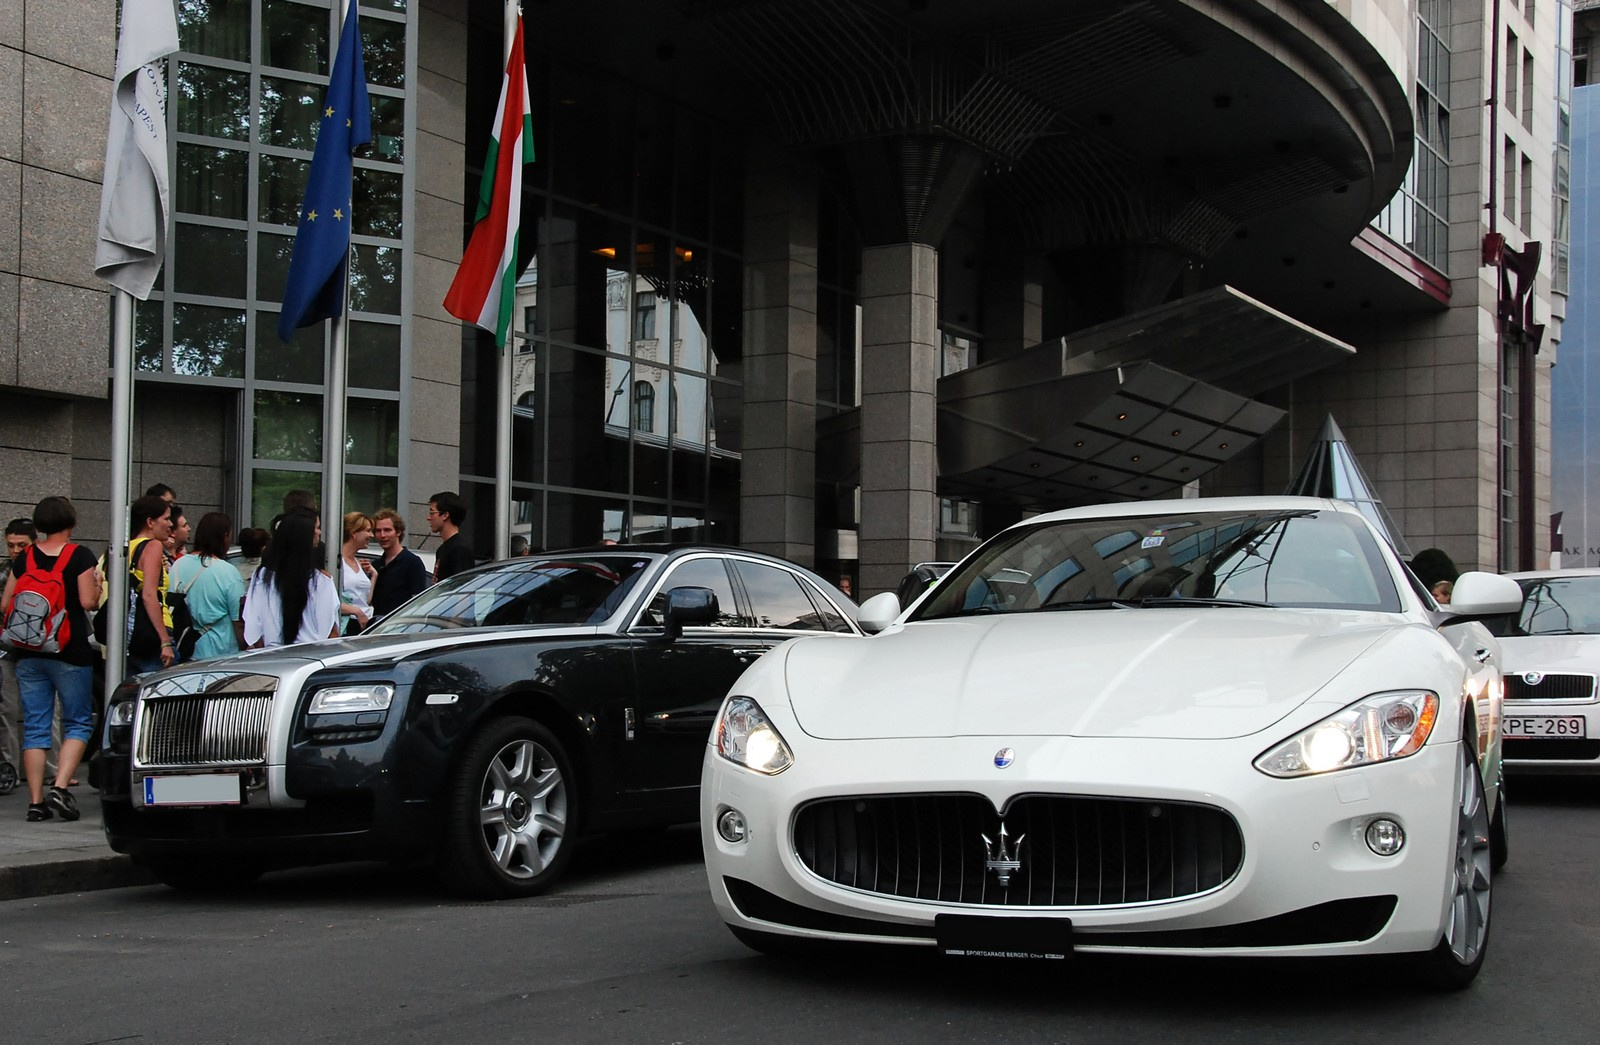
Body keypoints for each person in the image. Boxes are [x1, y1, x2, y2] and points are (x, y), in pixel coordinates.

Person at [2, 497, 99, 821]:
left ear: (39, 525)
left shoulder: (25, 557)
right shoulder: (79, 555)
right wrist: (96, 588)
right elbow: (87, 602)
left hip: (28, 653)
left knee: (35, 727)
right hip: (69, 652)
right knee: (78, 721)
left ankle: (35, 802)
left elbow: (5, 605)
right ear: (71, 522)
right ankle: (59, 786)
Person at [243, 509, 340, 648]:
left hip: (271, 658)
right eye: (317, 528)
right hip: (311, 658)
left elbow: (254, 631)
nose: (319, 532)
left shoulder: (261, 577)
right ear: (305, 534)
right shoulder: (322, 581)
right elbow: (331, 633)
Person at [167, 512, 245, 662]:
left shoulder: (177, 565)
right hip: (220, 656)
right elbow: (239, 622)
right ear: (224, 536)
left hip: (183, 651)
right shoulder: (228, 572)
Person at [0, 518, 38, 786]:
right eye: (11, 545)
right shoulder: (4, 572)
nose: (15, 551)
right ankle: (9, 766)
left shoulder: (42, 567)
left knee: (44, 709)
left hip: (39, 647)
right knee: (8, 709)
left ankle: (48, 768)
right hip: (7, 649)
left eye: (21, 545)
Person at [125, 495, 177, 676]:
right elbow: (149, 594)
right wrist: (164, 641)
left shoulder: (126, 548)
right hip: (153, 633)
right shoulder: (153, 546)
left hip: (130, 635)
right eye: (166, 518)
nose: (171, 525)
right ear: (150, 522)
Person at [370, 508, 428, 618]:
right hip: (377, 626)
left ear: (398, 531)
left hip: (400, 626)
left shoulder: (412, 562)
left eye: (387, 530)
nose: (382, 535)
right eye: (378, 531)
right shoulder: (376, 565)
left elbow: (418, 602)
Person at [338, 511, 376, 635]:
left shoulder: (358, 563)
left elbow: (364, 599)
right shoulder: (336, 563)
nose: (371, 535)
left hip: (364, 623)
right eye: (368, 530)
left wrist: (374, 575)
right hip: (347, 625)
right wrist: (356, 611)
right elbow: (329, 601)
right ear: (354, 533)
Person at [428, 491, 475, 581]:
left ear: (445, 515)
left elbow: (462, 588)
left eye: (432, 512)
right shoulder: (442, 549)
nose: (429, 518)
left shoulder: (459, 549)